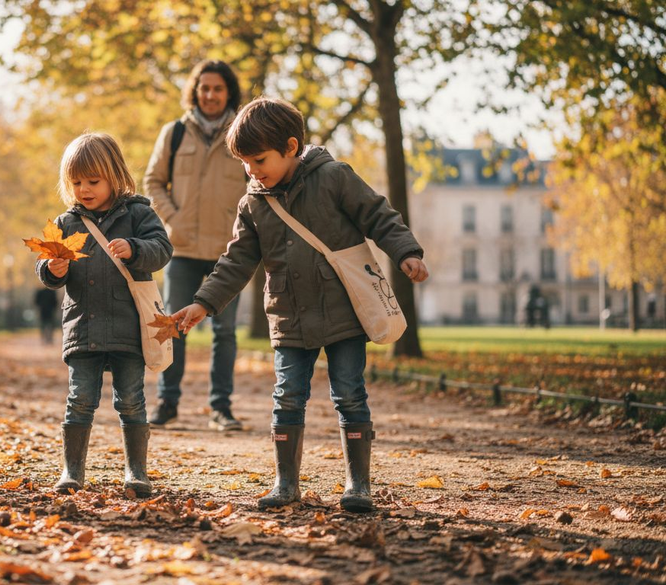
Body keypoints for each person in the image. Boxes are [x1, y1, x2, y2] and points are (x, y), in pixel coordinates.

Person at [172, 98, 429, 512]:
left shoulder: (333, 177)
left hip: (345, 310)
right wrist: (204, 303)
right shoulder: (253, 202)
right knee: (287, 395)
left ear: (291, 147)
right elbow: (236, 261)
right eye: (245, 164)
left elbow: (378, 216)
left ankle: (358, 485)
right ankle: (285, 483)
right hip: (288, 315)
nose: (252, 171)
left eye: (259, 160)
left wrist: (405, 252)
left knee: (350, 393)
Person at [36, 132, 172, 497]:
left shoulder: (139, 213)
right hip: (83, 326)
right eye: (76, 182)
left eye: (93, 181)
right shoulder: (66, 223)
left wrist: (135, 248)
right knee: (80, 398)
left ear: (114, 175)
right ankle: (72, 470)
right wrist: (53, 270)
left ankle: (136, 471)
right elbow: (45, 268)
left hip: (129, 327)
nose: (84, 189)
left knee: (131, 399)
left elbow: (162, 249)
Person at [143, 59, 247, 432]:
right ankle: (167, 403)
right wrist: (173, 218)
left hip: (228, 252)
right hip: (183, 249)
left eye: (218, 88)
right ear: (195, 90)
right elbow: (153, 182)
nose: (211, 94)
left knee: (225, 332)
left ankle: (221, 408)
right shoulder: (173, 133)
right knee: (173, 326)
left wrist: (244, 228)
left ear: (228, 92)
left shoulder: (243, 132)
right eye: (204, 87)